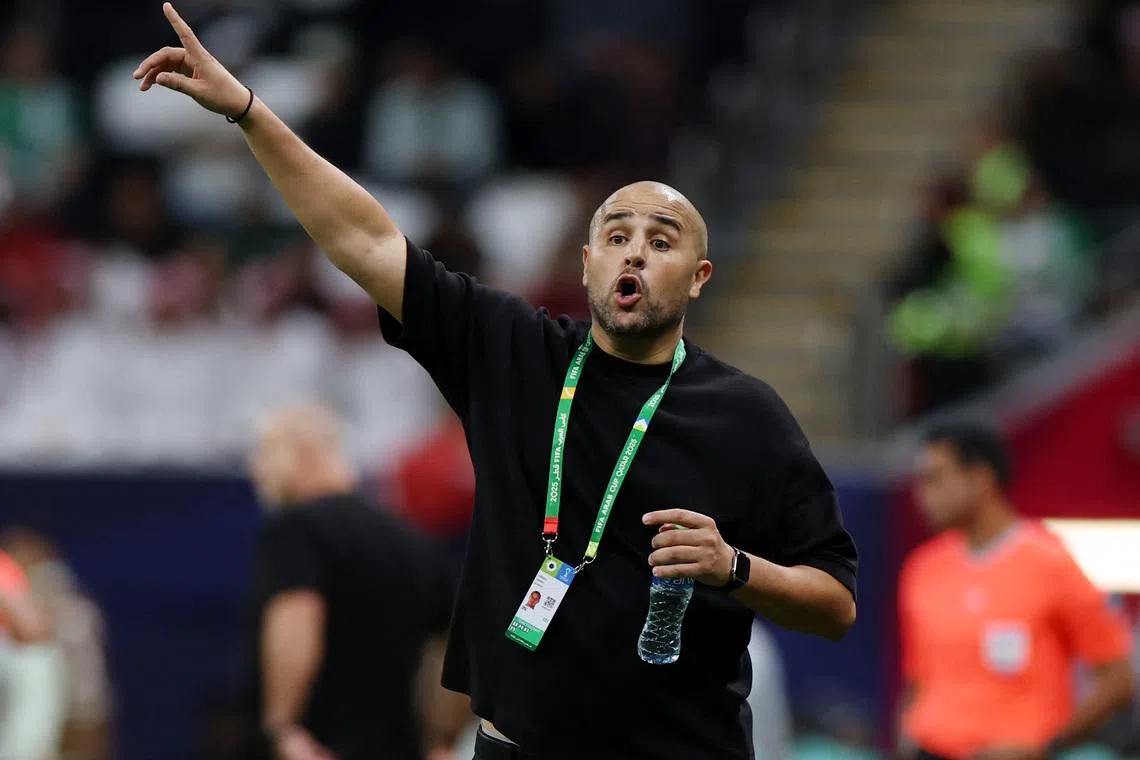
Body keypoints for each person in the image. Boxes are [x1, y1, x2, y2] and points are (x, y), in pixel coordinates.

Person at [133, 7, 859, 759]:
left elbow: (834, 603)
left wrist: (735, 568)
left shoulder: (747, 414)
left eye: (661, 241)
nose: (634, 255)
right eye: (617, 237)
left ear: (699, 277)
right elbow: (366, 240)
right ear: (587, 264)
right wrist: (249, 114)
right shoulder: (517, 351)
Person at [241, 403, 470, 760]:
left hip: (318, 746)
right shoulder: (411, 541)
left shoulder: (294, 530)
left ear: (298, 455)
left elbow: (297, 618)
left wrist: (283, 729)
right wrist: (443, 741)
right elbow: (460, 644)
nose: (256, 469)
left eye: (264, 453)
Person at [898, 422, 1135, 760]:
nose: (922, 495)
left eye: (934, 478)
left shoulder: (1052, 563)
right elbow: (917, 680)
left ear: (980, 477)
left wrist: (1050, 745)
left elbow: (1118, 679)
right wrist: (907, 734)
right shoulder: (922, 569)